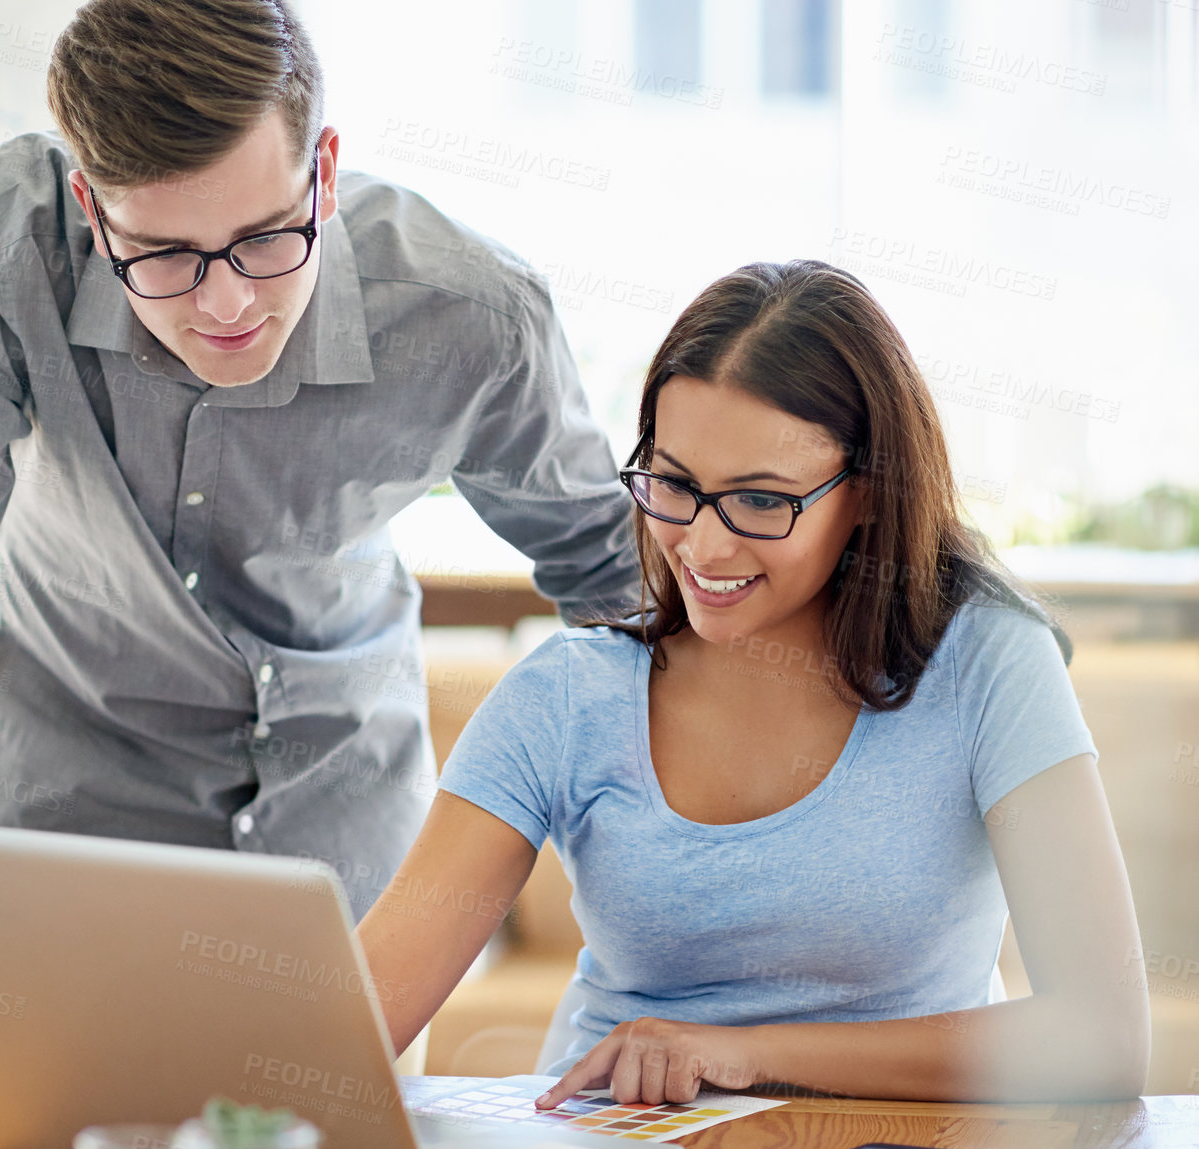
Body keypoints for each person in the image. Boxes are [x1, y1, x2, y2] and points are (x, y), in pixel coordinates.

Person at [0, 0, 637, 1100]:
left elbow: (621, 593)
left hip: (352, 858)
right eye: (165, 255)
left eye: (263, 239)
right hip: (66, 821)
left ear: (325, 171)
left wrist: (680, 944)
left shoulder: (469, 314)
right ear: (94, 213)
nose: (228, 301)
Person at [358, 259, 1150, 1104]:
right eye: (674, 484)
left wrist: (742, 1053)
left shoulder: (990, 664)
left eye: (762, 502)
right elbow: (359, 1021)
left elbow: (1101, 1037)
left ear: (872, 492)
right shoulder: (563, 697)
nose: (703, 546)